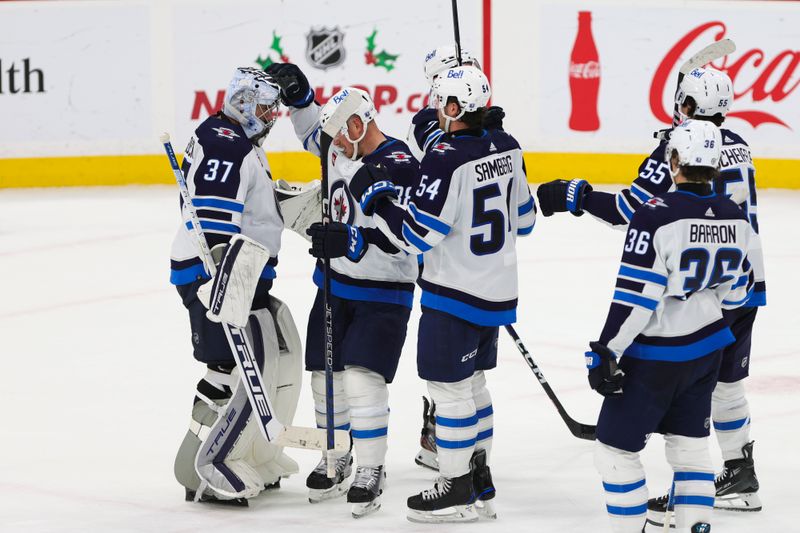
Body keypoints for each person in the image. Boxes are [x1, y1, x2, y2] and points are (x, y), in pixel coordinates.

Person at [536, 67, 764, 515]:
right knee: (725, 384)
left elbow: (629, 209)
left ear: (686, 105)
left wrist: (574, 197)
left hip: (687, 289)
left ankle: (687, 467)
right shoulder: (739, 145)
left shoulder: (674, 149)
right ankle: (739, 471)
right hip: (740, 275)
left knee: (678, 382)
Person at [345, 65, 536, 523]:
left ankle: (454, 489)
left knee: (448, 391)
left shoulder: (444, 155)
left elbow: (417, 236)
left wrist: (382, 203)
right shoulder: (509, 146)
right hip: (498, 291)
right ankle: (479, 477)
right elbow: (525, 221)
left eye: (440, 103)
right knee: (474, 386)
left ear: (455, 108)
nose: (434, 110)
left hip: (454, 293)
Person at [585, 119, 758, 533]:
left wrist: (607, 350)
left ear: (674, 160)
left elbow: (636, 298)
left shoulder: (654, 216)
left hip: (656, 357)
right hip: (707, 352)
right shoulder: (735, 216)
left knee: (613, 451)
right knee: (691, 450)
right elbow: (736, 293)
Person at [265, 62, 421, 517]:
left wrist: (353, 241)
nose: (328, 140)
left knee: (363, 382)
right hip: (333, 285)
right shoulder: (338, 145)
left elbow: (407, 238)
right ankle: (335, 456)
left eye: (338, 130)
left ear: (359, 123)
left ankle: (371, 468)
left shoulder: (400, 166)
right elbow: (314, 129)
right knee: (324, 379)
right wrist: (299, 97)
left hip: (383, 292)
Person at [170, 67, 303, 506]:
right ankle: (200, 466)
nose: (270, 117)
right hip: (218, 276)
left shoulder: (234, 140)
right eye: (264, 107)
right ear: (243, 101)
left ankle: (255, 455)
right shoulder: (228, 145)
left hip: (241, 274)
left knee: (266, 364)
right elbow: (214, 226)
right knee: (226, 369)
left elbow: (249, 209)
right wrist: (222, 285)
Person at [407, 44, 506, 473]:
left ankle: (459, 469)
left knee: (454, 381)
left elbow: (419, 229)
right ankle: (461, 455)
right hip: (488, 277)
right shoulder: (428, 127)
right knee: (460, 382)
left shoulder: (471, 136)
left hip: (455, 279)